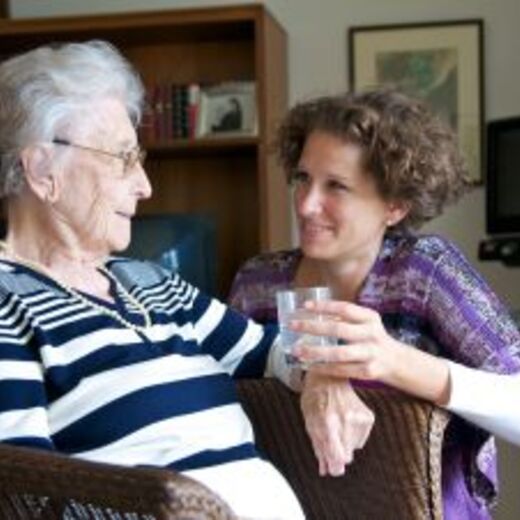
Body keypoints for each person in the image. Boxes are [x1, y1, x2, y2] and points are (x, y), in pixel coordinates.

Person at [0, 40, 309, 520]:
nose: (145, 185)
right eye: (123, 158)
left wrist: (328, 378)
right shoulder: (7, 301)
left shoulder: (151, 282)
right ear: (42, 171)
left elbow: (273, 351)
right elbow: (24, 493)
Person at [228, 88, 520, 519]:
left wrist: (393, 363)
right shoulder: (259, 283)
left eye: (337, 187)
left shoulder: (426, 273)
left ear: (395, 206)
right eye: (303, 178)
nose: (307, 205)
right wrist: (314, 375)